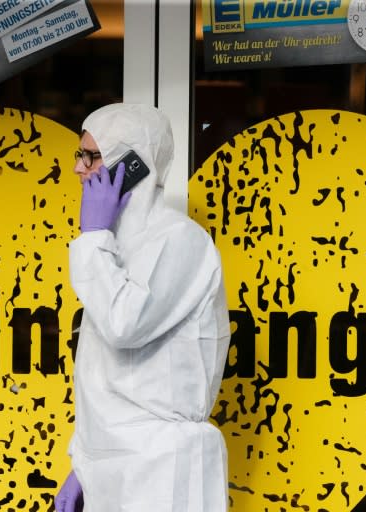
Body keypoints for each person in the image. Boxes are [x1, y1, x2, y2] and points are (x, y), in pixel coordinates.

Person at [55, 103, 231, 512]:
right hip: (114, 466)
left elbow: (124, 324)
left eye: (91, 156)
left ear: (130, 163)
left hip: (162, 471)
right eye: (79, 156)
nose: (79, 169)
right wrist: (83, 460)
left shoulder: (178, 241)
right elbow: (102, 376)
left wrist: (93, 238)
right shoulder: (114, 250)